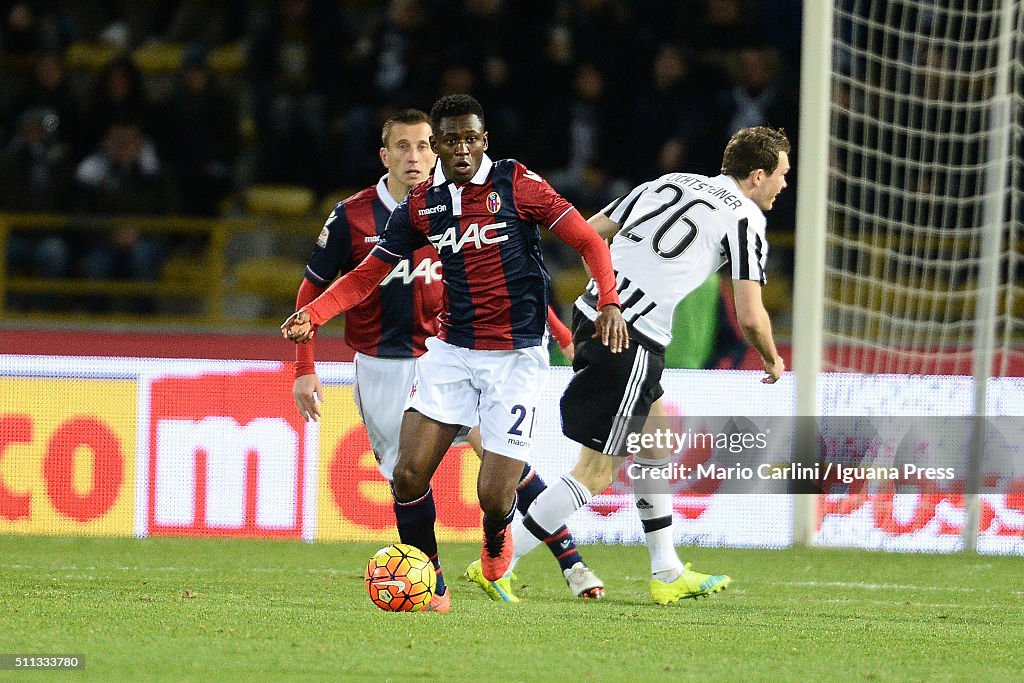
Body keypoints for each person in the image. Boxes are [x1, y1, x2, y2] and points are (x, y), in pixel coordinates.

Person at [286, 101, 621, 610]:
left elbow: (588, 242)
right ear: (439, 147)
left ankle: (495, 544)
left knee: (493, 493)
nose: (460, 149)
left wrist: (609, 303)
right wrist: (317, 313)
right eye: (450, 141)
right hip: (449, 353)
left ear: (484, 140)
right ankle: (432, 589)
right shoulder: (422, 205)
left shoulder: (518, 185)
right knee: (407, 475)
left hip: (515, 359)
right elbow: (367, 274)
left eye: (470, 138)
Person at [494, 126, 790, 605]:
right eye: (781, 176)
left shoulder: (670, 182)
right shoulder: (746, 220)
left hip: (597, 313)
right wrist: (773, 358)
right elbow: (751, 314)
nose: (782, 186)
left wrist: (615, 288)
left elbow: (588, 233)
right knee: (597, 471)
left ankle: (666, 569)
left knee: (655, 441)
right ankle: (498, 563)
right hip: (630, 337)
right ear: (757, 176)